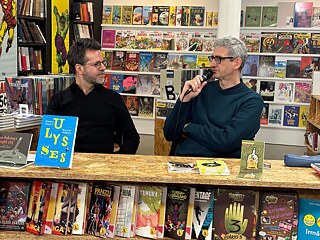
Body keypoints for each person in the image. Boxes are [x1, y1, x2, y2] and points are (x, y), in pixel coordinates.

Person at [163, 37, 264, 158]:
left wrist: (189, 127)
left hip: (222, 169)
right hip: (185, 163)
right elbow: (170, 134)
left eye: (218, 59)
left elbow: (226, 141)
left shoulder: (251, 101)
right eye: (212, 58)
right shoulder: (200, 90)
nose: (212, 64)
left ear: (236, 63)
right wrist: (183, 100)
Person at [46, 38, 140, 154]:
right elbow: (49, 141)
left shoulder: (113, 98)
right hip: (69, 167)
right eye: (97, 64)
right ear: (79, 68)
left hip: (104, 167)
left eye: (103, 63)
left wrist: (116, 163)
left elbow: (132, 137)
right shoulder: (58, 100)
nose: (103, 68)